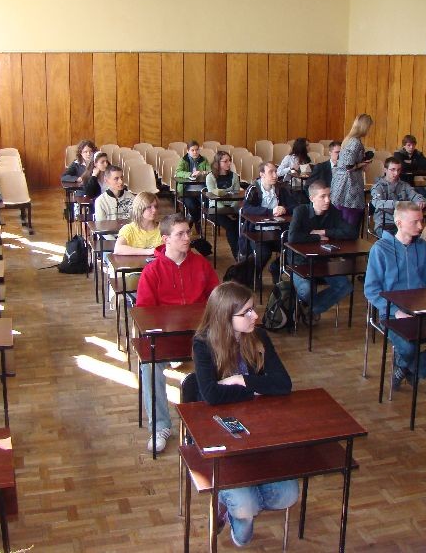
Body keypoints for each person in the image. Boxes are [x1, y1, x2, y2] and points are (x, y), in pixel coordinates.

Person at [192, 282, 298, 547]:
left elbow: (283, 384)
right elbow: (211, 395)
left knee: (289, 494)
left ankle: (231, 501)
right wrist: (256, 391)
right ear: (225, 317)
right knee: (245, 506)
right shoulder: (203, 344)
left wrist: (242, 380)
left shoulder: (258, 337)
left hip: (257, 432)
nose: (255, 316)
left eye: (253, 309)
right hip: (219, 434)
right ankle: (235, 504)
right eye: (247, 312)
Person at [135, 214, 219, 453]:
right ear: (166, 239)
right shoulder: (152, 271)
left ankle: (213, 417)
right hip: (168, 336)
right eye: (180, 234)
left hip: (199, 333)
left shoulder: (201, 264)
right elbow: (144, 313)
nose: (187, 238)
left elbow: (217, 298)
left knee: (229, 351)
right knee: (150, 365)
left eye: (188, 232)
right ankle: (160, 425)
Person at [364, 202, 426, 389]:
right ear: (399, 223)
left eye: (422, 221)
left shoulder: (422, 247)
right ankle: (408, 365)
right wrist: (396, 311)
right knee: (409, 347)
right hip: (391, 313)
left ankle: (407, 369)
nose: (421, 226)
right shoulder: (380, 249)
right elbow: (371, 290)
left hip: (421, 311)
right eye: (415, 222)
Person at [288, 181, 354, 324]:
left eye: (329, 195)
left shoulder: (332, 211)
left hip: (322, 262)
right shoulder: (301, 211)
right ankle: (306, 307)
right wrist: (317, 237)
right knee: (306, 290)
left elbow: (351, 232)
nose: (327, 200)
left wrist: (324, 231)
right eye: (322, 196)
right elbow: (292, 237)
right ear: (312, 198)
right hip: (300, 263)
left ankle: (310, 310)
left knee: (346, 286)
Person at [242, 161, 296, 284]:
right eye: (271, 172)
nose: (275, 175)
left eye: (275, 172)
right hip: (257, 232)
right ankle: (251, 277)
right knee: (264, 253)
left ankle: (275, 267)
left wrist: (284, 209)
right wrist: (270, 211)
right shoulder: (253, 189)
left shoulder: (281, 188)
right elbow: (246, 208)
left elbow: (295, 206)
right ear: (262, 174)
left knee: (293, 250)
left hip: (278, 231)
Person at [331, 113, 373, 235]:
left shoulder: (348, 139)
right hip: (349, 183)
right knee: (349, 216)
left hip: (341, 181)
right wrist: (363, 163)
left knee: (343, 215)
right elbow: (349, 166)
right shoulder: (355, 142)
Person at [370, 157, 426, 237]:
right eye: (392, 170)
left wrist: (420, 201)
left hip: (404, 223)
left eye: (398, 170)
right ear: (385, 170)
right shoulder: (378, 186)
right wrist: (399, 204)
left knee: (419, 236)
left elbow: (416, 196)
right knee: (399, 239)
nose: (396, 173)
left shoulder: (404, 185)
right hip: (385, 224)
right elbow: (377, 203)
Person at [205, 150, 241, 260]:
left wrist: (231, 210)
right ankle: (237, 255)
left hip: (232, 208)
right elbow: (214, 197)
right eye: (225, 161)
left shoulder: (234, 176)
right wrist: (227, 212)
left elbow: (236, 195)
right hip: (216, 209)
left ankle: (244, 252)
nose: (229, 163)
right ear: (218, 163)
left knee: (242, 224)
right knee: (231, 226)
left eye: (229, 161)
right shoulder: (210, 177)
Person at [175, 140, 210, 231]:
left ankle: (190, 217)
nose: (195, 152)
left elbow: (210, 171)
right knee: (193, 206)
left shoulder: (204, 160)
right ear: (188, 151)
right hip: (187, 190)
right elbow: (178, 172)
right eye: (192, 150)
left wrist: (202, 172)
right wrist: (190, 174)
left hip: (201, 189)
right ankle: (197, 221)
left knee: (206, 204)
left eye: (197, 150)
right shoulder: (183, 160)